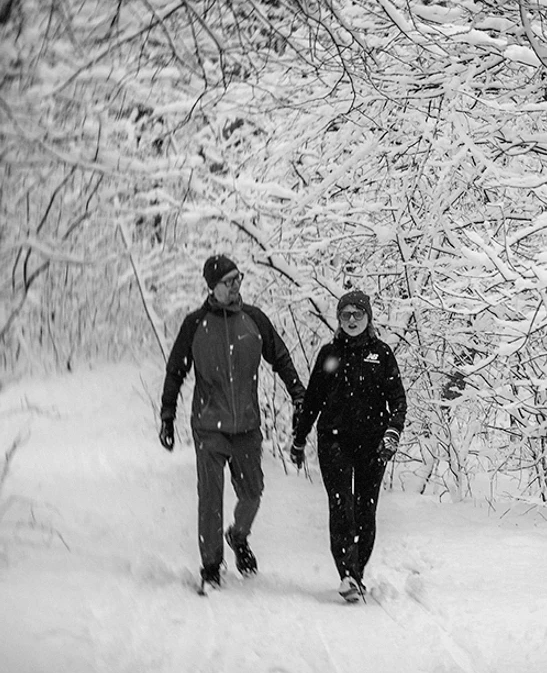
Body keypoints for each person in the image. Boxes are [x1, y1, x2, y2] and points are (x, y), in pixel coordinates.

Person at [159, 254, 305, 593]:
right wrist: (167, 415)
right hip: (209, 426)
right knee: (210, 500)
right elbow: (175, 372)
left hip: (247, 427)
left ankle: (238, 536)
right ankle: (211, 567)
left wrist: (298, 393)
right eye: (229, 281)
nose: (236, 285)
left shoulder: (253, 319)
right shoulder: (196, 325)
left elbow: (280, 357)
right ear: (213, 287)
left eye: (238, 278)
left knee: (252, 493)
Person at [290, 288, 407, 603]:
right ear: (339, 320)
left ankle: (357, 573)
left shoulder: (381, 354)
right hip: (334, 441)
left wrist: (392, 433)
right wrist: (299, 439)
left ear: (368, 318)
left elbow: (398, 400)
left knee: (365, 510)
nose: (352, 319)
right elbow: (313, 400)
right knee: (342, 507)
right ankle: (346, 574)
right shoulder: (329, 354)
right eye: (345, 315)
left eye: (358, 314)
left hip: (373, 443)